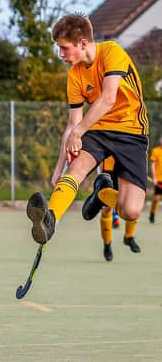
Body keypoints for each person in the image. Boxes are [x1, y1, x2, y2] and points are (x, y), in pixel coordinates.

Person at [26, 13, 148, 254]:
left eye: (64, 48)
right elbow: (73, 124)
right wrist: (59, 166)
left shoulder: (112, 52)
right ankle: (50, 220)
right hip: (98, 128)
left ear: (82, 43)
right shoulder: (74, 75)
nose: (61, 54)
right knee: (76, 169)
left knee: (130, 211)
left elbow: (109, 98)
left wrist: (79, 131)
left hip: (132, 132)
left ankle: (102, 193)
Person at [96, 156, 139, 262]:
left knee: (132, 203)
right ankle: (107, 244)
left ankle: (129, 237)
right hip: (109, 168)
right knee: (107, 209)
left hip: (128, 166)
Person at [149, 136, 162, 223]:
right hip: (159, 179)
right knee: (156, 198)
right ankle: (152, 213)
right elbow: (152, 165)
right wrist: (154, 178)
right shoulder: (156, 150)